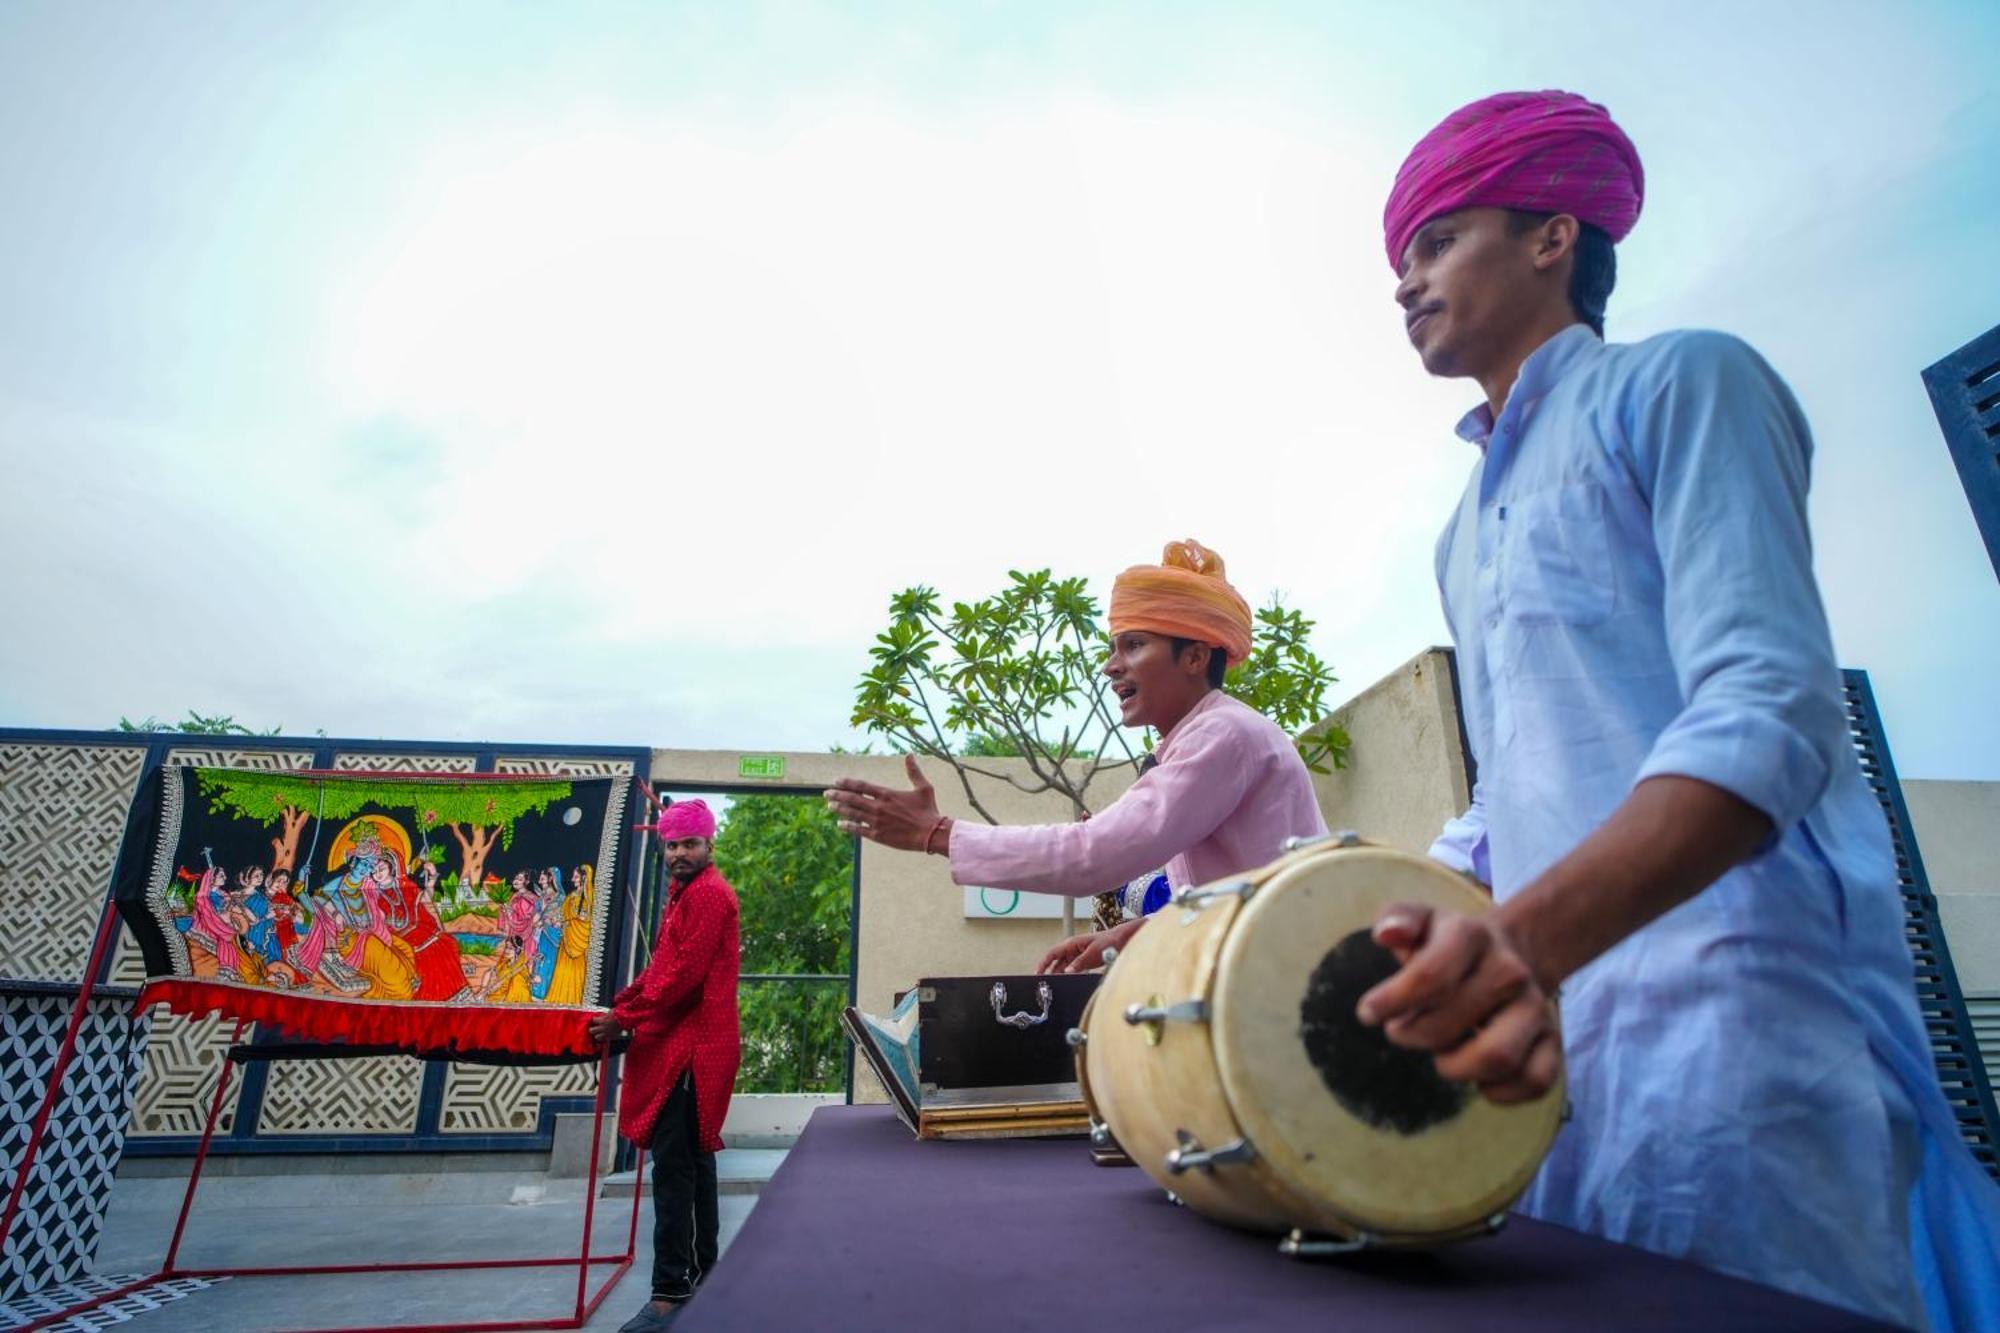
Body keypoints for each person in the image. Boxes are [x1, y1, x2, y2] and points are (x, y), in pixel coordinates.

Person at [1357, 89, 2000, 1329]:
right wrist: (1365, 918)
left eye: (1434, 240)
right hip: (1548, 1036)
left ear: (1552, 236)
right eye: (1399, 259)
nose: (1404, 281)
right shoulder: (1457, 531)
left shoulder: (1682, 383)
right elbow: (1509, 793)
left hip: (1737, 1018)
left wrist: (1520, 943)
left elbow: (1767, 707)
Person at [825, 540, 1327, 974]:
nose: (1111, 667)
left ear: (1195, 657)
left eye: (1133, 645)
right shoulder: (1208, 736)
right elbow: (1234, 899)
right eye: (1114, 647)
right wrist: (1133, 935)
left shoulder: (1224, 734)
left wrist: (934, 834)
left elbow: (1095, 854)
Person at [589, 800, 741, 1331]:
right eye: (672, 846)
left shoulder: (707, 896)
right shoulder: (685, 895)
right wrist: (622, 1006)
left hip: (694, 1049)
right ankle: (704, 1279)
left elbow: (679, 981)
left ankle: (670, 1294)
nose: (679, 853)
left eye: (689, 845)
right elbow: (663, 969)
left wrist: (622, 1018)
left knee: (677, 1172)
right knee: (692, 1166)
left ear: (708, 847)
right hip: (689, 1046)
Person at [545, 863, 594, 1006]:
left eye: (576, 877)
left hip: (577, 944)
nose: (572, 879)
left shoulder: (589, 899)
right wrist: (555, 921)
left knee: (575, 975)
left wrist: (567, 924)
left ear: (584, 878)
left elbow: (585, 922)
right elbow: (562, 916)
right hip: (565, 944)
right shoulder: (571, 897)